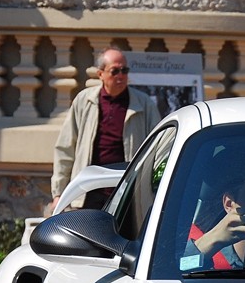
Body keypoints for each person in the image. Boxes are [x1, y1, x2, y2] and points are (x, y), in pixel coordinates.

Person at [50, 46, 161, 211]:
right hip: (88, 191)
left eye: (124, 70)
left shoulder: (143, 104)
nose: (121, 76)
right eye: (115, 71)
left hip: (126, 192)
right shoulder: (84, 101)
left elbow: (159, 147)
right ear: (100, 74)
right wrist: (59, 192)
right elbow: (66, 148)